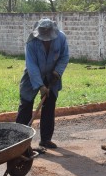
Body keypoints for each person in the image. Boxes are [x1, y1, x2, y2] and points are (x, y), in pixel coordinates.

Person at [15, 18, 69, 149]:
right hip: (32, 76)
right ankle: (20, 141)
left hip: (52, 76)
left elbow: (64, 56)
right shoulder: (31, 42)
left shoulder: (61, 38)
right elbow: (31, 65)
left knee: (49, 107)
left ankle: (45, 139)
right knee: (26, 105)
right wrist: (40, 86)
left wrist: (57, 72)